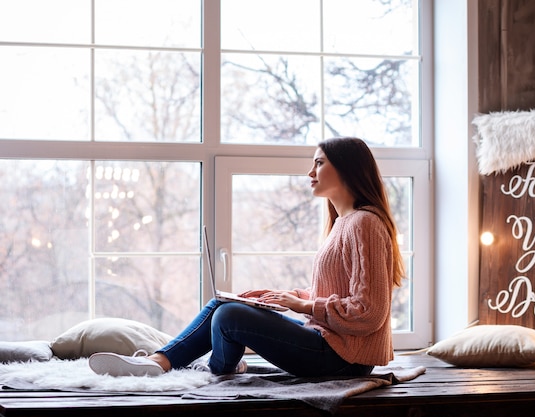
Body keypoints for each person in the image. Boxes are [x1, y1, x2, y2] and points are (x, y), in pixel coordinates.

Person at [88, 137, 405, 378]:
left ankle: (216, 369)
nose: (311, 172)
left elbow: (368, 312)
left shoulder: (365, 223)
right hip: (328, 344)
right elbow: (340, 294)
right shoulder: (342, 223)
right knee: (224, 305)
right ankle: (159, 362)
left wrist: (303, 305)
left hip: (345, 359)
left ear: (348, 168)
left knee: (229, 317)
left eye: (319, 163)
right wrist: (286, 297)